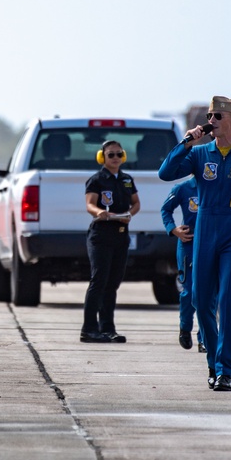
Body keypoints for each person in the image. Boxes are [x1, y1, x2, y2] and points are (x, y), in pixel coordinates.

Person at [159, 96, 231, 391]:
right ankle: (212, 360)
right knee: (199, 299)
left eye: (218, 115)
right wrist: (186, 142)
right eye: (209, 115)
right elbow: (165, 173)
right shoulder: (200, 154)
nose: (212, 120)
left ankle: (225, 370)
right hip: (204, 229)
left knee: (229, 301)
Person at [81, 140, 140, 343]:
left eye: (118, 154)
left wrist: (129, 215)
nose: (115, 158)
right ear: (102, 157)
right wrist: (101, 213)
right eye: (111, 155)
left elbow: (136, 203)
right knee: (99, 281)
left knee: (113, 283)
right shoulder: (97, 180)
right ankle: (89, 329)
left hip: (121, 235)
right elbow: (90, 204)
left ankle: (107, 328)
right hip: (101, 235)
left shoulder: (126, 179)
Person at [160, 175, 203, 352]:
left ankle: (205, 338)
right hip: (189, 243)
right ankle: (185, 327)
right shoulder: (183, 188)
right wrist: (173, 229)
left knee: (209, 293)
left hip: (211, 242)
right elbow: (166, 209)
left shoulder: (217, 184)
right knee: (190, 291)